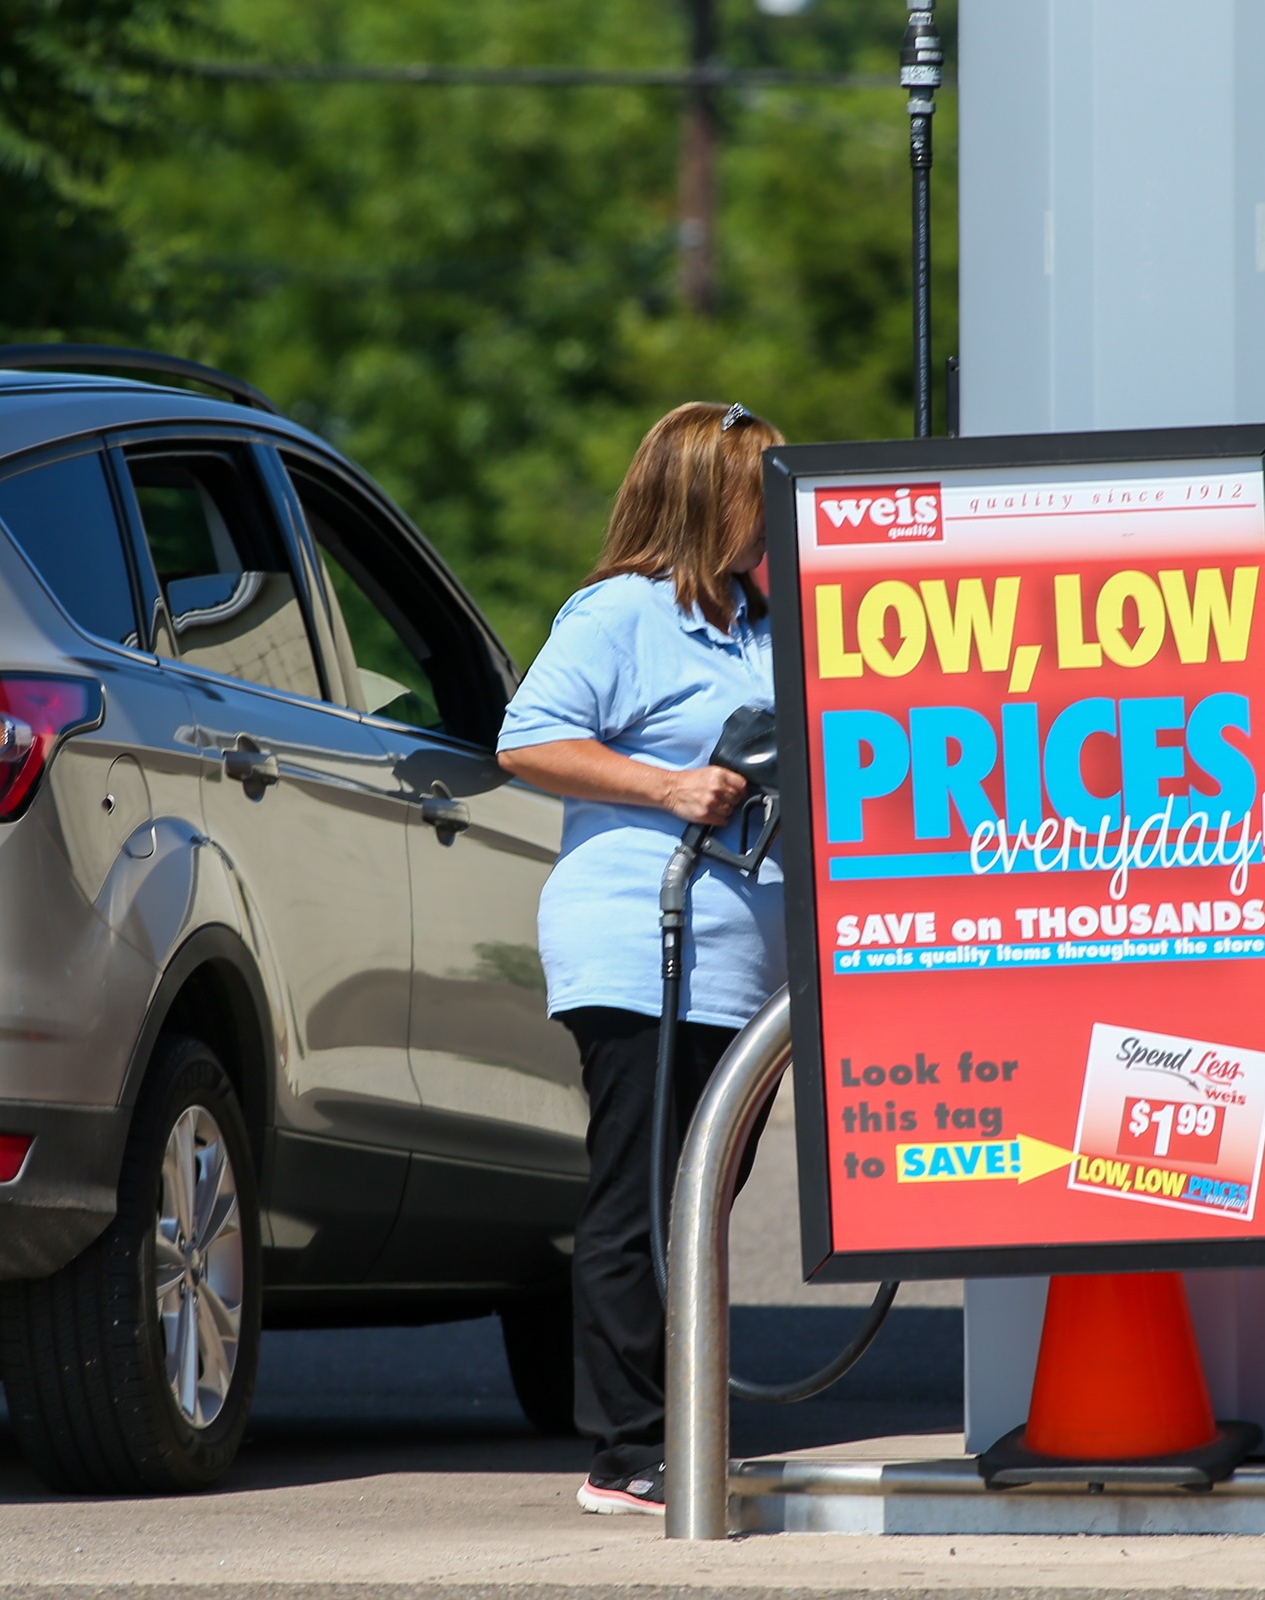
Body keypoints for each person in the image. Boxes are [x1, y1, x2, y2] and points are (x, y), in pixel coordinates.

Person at [496, 400, 786, 1516]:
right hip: (640, 944)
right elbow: (526, 736)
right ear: (715, 500)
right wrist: (665, 785)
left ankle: (689, 1427)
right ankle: (626, 1450)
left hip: (746, 963)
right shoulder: (621, 614)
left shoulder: (767, 624)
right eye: (767, 490)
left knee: (704, 1198)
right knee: (642, 1197)